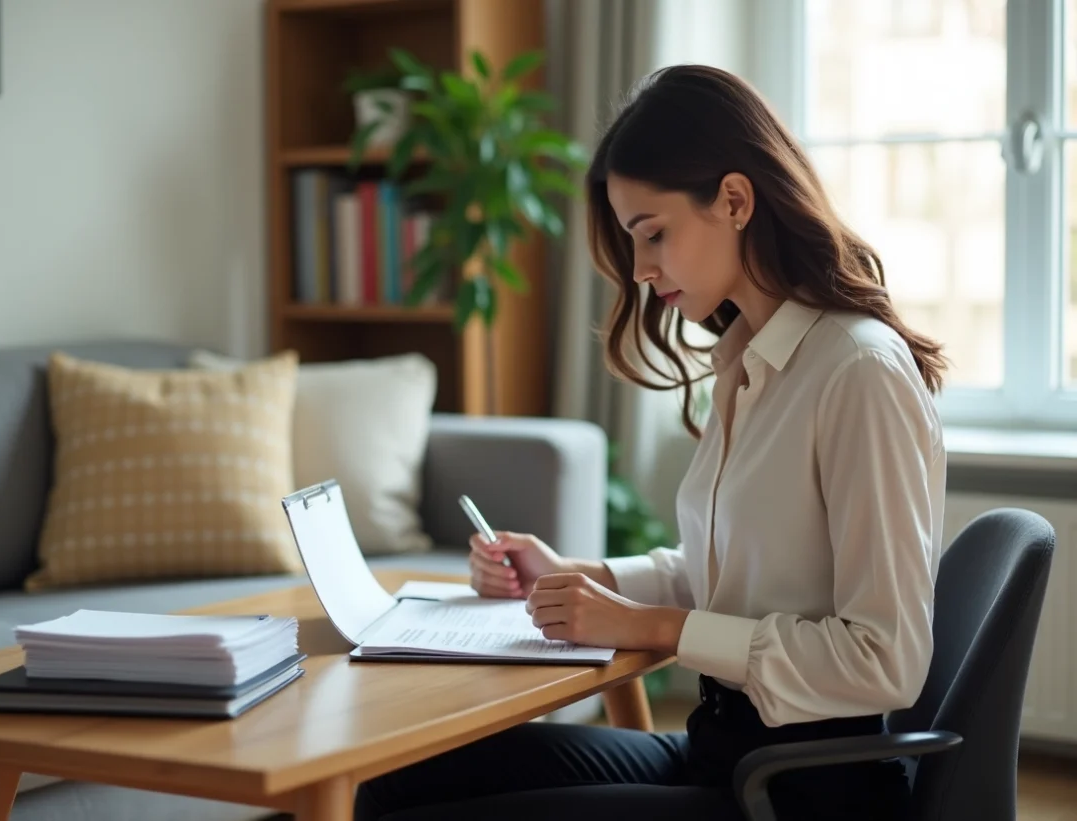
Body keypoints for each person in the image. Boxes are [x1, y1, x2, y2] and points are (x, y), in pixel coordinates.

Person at [354, 64, 947, 821]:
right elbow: (730, 574)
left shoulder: (858, 370)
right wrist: (579, 572)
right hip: (721, 755)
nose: (640, 270)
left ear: (734, 200)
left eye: (653, 233)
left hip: (802, 792)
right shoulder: (749, 356)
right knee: (398, 779)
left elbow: (883, 659)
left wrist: (653, 628)